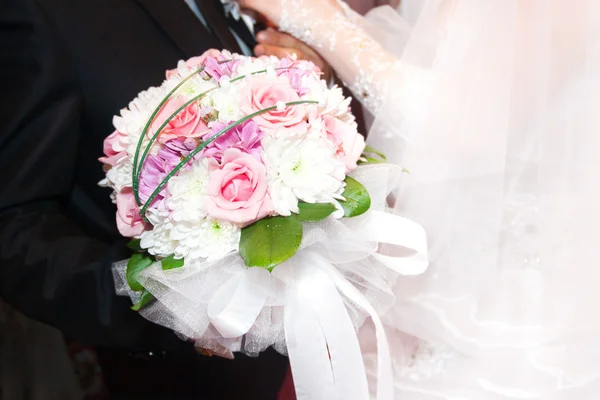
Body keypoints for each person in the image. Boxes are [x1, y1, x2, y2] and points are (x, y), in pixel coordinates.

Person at [239, 0, 600, 398]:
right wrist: (330, 39)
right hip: (430, 278)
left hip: (514, 308)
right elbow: (435, 57)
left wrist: (314, 20)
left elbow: (475, 124)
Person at [0, 0, 326, 398]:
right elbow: (13, 225)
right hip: (195, 377)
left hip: (320, 340)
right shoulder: (42, 13)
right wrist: (168, 301)